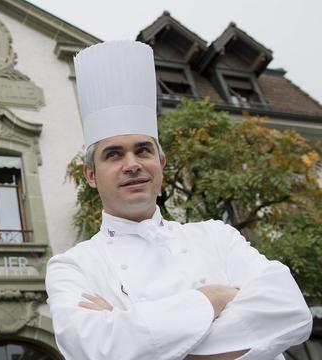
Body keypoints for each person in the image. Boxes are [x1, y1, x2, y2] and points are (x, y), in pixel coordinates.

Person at [45, 41, 312, 360]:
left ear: (162, 163)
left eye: (143, 150)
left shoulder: (217, 236)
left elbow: (290, 309)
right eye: (113, 155)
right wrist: (211, 299)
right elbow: (95, 349)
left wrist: (143, 335)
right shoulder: (73, 267)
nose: (132, 164)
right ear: (91, 176)